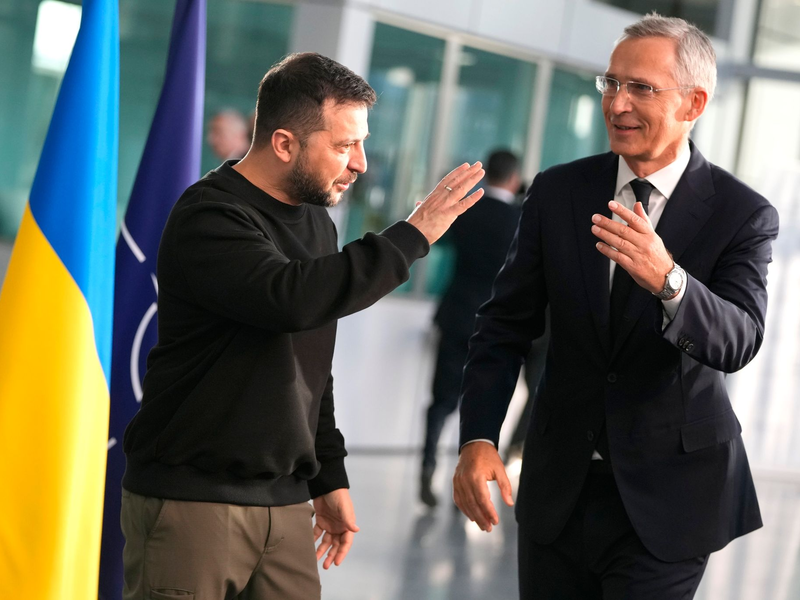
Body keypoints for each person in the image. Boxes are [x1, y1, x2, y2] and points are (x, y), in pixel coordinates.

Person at [120, 52, 484, 600]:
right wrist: (413, 235)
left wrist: (327, 475)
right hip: (194, 502)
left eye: (360, 143)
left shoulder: (316, 221)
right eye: (343, 146)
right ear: (284, 143)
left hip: (285, 504)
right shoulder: (210, 216)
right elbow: (289, 300)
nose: (360, 163)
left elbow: (311, 363)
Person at [453, 13, 779, 600]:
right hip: (559, 489)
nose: (618, 103)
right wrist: (478, 437)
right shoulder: (558, 191)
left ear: (693, 102)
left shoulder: (742, 213)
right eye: (611, 84)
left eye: (641, 88)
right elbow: (503, 326)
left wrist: (670, 281)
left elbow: (739, 339)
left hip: (670, 502)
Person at [419, 150, 522, 508]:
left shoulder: (467, 211)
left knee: (441, 399)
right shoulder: (519, 219)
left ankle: (427, 466)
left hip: (457, 314)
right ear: (514, 177)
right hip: (495, 324)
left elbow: (438, 241)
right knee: (480, 403)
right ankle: (471, 482)